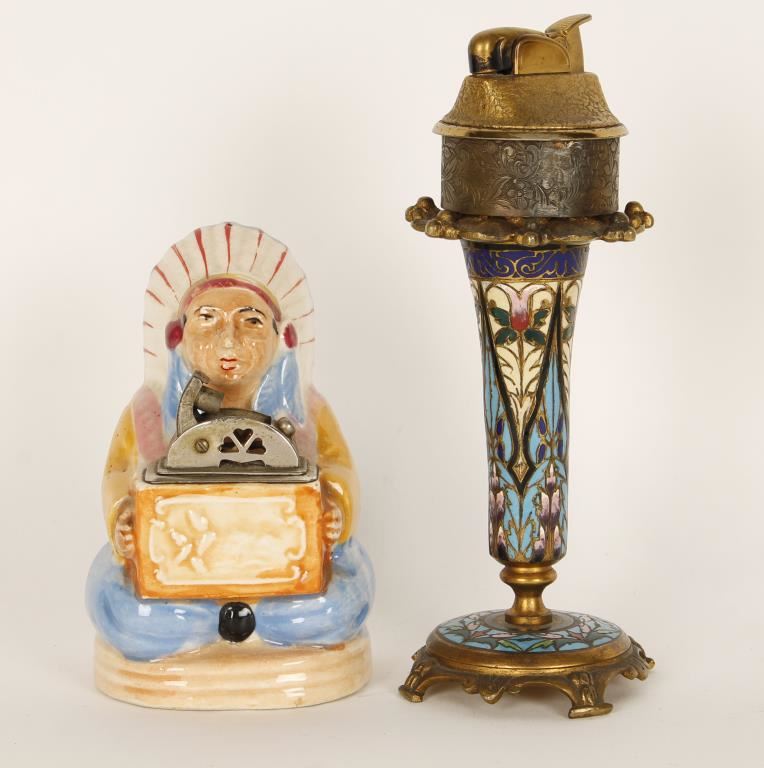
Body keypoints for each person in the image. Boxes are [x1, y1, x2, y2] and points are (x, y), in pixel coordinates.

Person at [86, 223, 373, 661]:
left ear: (283, 337)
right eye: (208, 320)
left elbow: (338, 467)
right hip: (178, 580)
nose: (228, 341)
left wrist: (336, 510)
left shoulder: (306, 410)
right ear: (176, 335)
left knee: (344, 601)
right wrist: (122, 517)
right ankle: (234, 623)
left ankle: (226, 624)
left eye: (251, 322)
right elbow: (119, 472)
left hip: (284, 577)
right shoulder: (148, 412)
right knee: (117, 606)